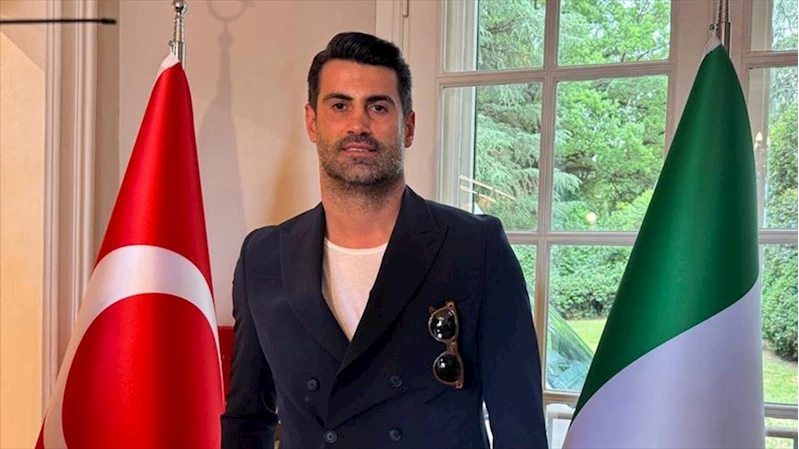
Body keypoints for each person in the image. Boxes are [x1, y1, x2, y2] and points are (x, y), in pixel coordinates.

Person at [221, 31, 548, 449]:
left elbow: (520, 426)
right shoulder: (263, 256)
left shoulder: (475, 247)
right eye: (340, 106)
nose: (358, 125)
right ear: (312, 122)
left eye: (378, 107)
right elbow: (248, 419)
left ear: (407, 127)